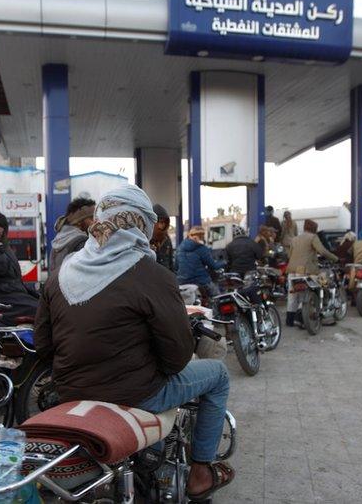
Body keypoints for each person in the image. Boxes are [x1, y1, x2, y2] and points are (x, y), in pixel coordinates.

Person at [35, 184, 234, 501]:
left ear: (101, 220)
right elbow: (177, 359)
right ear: (142, 223)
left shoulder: (58, 275)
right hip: (137, 394)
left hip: (71, 393)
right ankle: (200, 472)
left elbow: (44, 348)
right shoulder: (152, 274)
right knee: (219, 375)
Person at [286, 219, 338, 327]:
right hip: (305, 270)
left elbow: (289, 255)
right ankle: (302, 319)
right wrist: (335, 258)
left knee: (292, 295)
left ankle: (289, 320)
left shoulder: (294, 239)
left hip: (291, 270)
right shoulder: (313, 237)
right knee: (305, 294)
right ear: (314, 229)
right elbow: (322, 251)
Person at [176, 226, 226, 301]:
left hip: (182, 282)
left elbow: (176, 267)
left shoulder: (179, 248)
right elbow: (213, 266)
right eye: (200, 236)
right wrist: (224, 262)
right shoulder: (201, 248)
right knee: (218, 298)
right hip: (201, 281)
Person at [49, 197, 96, 271]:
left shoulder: (57, 241)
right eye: (92, 219)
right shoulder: (82, 243)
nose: (95, 223)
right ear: (79, 222)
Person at [150, 204, 175, 272]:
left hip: (166, 277)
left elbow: (170, 262)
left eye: (165, 222)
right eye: (160, 222)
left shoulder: (167, 239)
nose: (163, 225)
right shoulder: (147, 238)